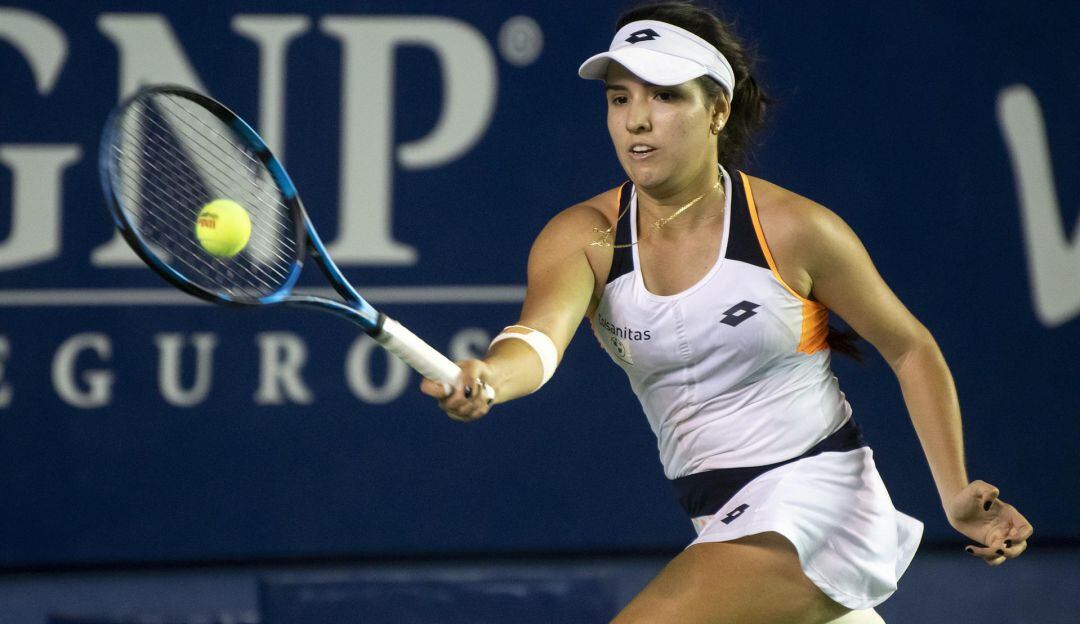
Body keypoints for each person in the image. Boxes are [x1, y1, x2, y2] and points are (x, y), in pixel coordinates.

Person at [420, 2, 1033, 622]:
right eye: (618, 98)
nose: (636, 121)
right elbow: (538, 341)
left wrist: (954, 491)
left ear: (719, 109)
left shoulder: (795, 229)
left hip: (817, 501)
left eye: (664, 96)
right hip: (722, 519)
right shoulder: (586, 235)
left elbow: (910, 347)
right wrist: (494, 378)